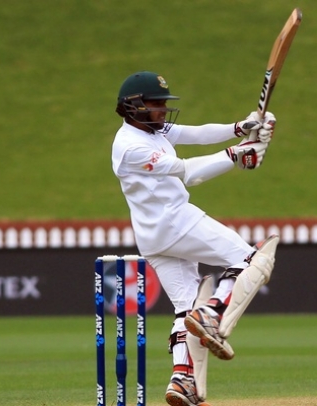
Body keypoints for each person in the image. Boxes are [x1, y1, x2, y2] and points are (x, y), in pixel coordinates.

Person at [111, 71, 278, 406]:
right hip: (176, 222)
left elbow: (198, 134)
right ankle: (212, 314)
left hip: (153, 237)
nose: (163, 109)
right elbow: (189, 172)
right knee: (252, 260)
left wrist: (240, 128)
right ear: (133, 106)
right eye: (156, 103)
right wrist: (239, 153)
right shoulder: (130, 147)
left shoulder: (154, 129)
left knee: (185, 307)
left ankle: (182, 381)